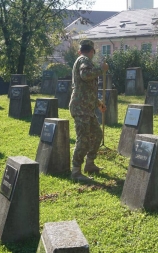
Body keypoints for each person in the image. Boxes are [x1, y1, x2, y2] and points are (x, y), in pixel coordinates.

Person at [69, 39, 109, 182]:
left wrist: (98, 103)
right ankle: (76, 171)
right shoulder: (84, 60)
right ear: (92, 51)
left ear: (81, 49)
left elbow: (87, 88)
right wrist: (101, 69)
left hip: (86, 107)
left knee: (97, 135)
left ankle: (90, 164)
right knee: (83, 140)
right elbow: (85, 75)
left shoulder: (82, 59)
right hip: (81, 108)